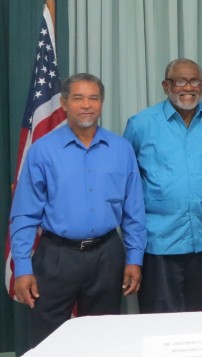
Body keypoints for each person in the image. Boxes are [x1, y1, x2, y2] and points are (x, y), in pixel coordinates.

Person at [10, 73, 146, 346]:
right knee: (48, 340)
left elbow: (134, 211)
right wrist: (22, 267)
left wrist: (135, 258)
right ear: (64, 103)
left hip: (107, 256)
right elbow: (25, 214)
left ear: (102, 103)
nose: (87, 105)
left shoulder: (121, 149)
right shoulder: (42, 151)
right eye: (78, 98)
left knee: (103, 339)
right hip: (57, 258)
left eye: (93, 98)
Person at [123, 58, 202, 313]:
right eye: (180, 81)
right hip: (158, 243)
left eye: (195, 81)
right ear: (166, 86)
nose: (188, 87)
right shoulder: (140, 125)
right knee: (159, 324)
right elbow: (127, 182)